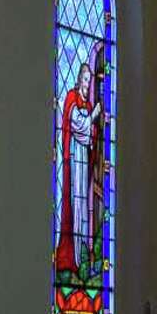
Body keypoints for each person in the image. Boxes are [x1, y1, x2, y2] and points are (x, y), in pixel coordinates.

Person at [55, 57, 102, 273]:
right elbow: (78, 126)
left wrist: (92, 128)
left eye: (89, 80)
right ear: (78, 79)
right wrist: (93, 116)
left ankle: (84, 253)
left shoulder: (87, 103)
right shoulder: (72, 99)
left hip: (85, 156)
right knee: (76, 202)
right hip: (75, 158)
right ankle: (72, 256)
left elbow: (90, 134)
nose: (86, 83)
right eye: (84, 79)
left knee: (84, 205)